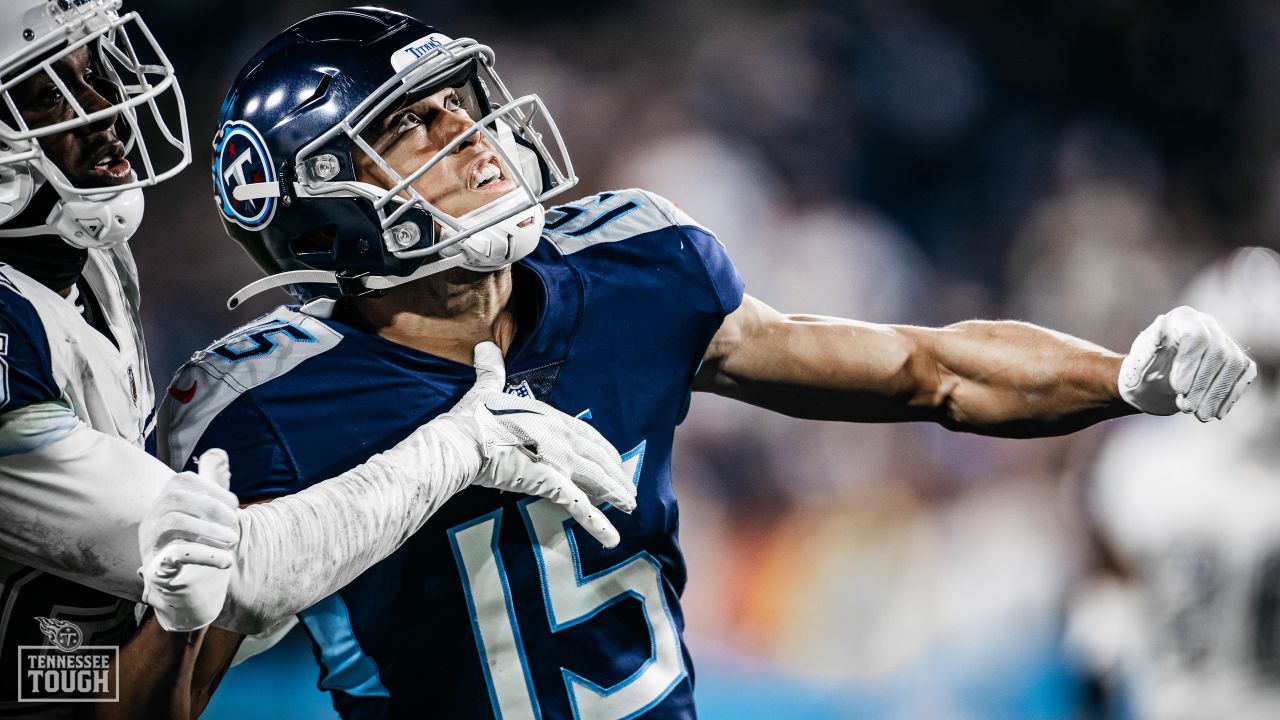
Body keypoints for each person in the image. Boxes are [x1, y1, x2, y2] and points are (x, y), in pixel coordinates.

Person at [159, 7, 1257, 718]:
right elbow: (133, 702)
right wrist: (202, 590)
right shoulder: (263, 409)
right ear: (311, 207)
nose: (471, 135)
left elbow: (928, 371)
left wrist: (1123, 377)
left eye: (459, 103)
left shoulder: (632, 269)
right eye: (411, 128)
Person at [0, 2, 631, 716]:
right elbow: (238, 568)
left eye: (92, 73)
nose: (107, 111)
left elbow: (171, 613)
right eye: (46, 93)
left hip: (57, 668)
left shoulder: (76, 251)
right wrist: (459, 447)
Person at [1067, 247, 1280, 720]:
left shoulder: (1142, 463)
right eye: (1248, 367)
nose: (1258, 389)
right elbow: (1102, 595)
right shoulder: (1142, 465)